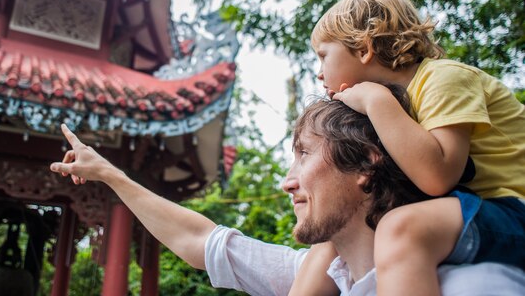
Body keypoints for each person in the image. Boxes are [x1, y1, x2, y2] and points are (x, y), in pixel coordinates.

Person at [49, 88, 525, 295]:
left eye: (303, 154)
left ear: (365, 165)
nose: (287, 180)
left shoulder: (474, 285)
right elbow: (202, 242)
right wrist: (113, 175)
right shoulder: (321, 275)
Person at [292, 0, 525, 296]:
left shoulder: (444, 79)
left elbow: (437, 177)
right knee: (332, 240)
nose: (320, 74)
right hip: (471, 211)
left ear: (363, 49)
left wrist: (376, 101)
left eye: (324, 56)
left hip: (512, 210)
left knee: (401, 228)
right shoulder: (398, 109)